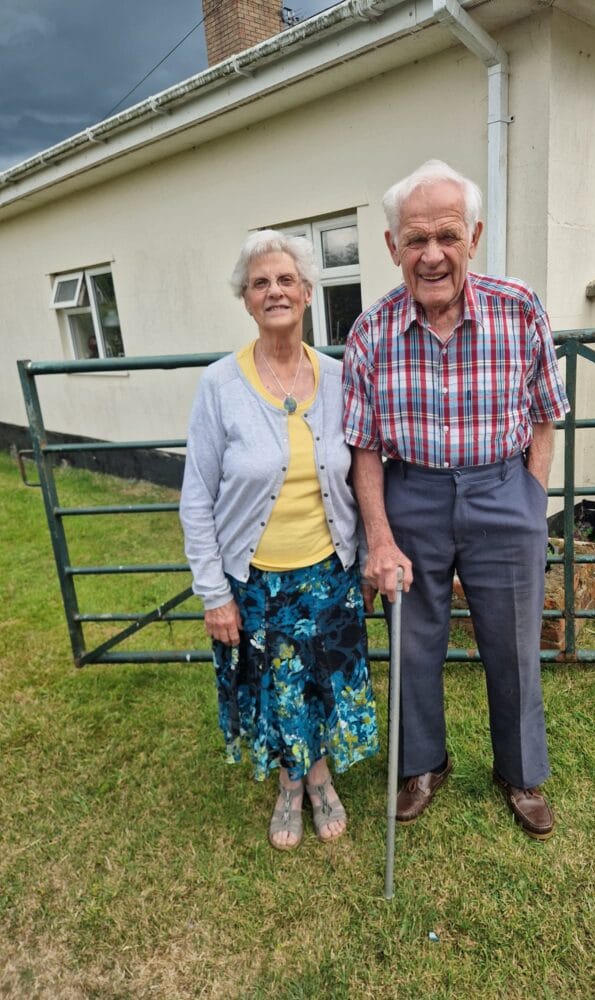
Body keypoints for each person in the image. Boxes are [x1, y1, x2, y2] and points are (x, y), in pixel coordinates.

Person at [342, 160, 569, 840]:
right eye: (416, 239)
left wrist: (531, 497)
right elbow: (363, 448)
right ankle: (422, 765)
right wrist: (380, 538)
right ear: (393, 247)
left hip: (503, 490)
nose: (432, 254)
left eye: (446, 235)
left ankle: (520, 772)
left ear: (473, 237)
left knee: (514, 644)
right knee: (412, 644)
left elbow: (545, 413)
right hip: (411, 494)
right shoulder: (370, 332)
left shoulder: (518, 307)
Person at [180, 230, 378, 851]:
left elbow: (365, 471)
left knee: (321, 683)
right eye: (260, 283)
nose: (275, 292)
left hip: (330, 569)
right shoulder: (220, 385)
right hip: (257, 580)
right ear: (245, 299)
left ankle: (319, 775)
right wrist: (214, 592)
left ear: (308, 292)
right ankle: (296, 786)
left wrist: (369, 556)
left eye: (286, 280)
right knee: (279, 689)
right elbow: (196, 497)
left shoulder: (342, 377)